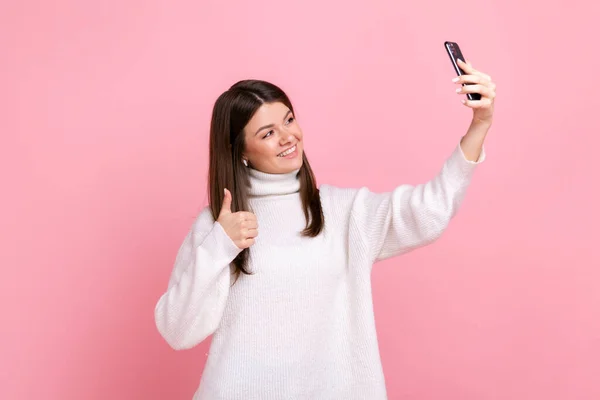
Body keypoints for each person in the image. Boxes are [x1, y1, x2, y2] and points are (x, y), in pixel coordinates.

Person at [154, 58, 496, 399]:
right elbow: (178, 331)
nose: (288, 137)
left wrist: (480, 125)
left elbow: (430, 211)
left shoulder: (343, 212)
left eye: (288, 120)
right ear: (240, 151)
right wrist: (220, 246)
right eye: (268, 133)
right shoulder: (219, 227)